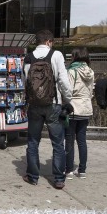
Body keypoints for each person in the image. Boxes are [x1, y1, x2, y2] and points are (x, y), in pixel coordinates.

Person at [22, 29, 73, 189]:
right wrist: (68, 99)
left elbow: (25, 81)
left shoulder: (28, 57)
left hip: (34, 105)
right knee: (58, 143)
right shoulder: (56, 55)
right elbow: (64, 81)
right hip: (53, 104)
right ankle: (58, 179)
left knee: (33, 142)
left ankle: (32, 176)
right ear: (49, 41)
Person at [65, 47, 95, 180]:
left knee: (70, 139)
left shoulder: (72, 71)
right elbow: (91, 91)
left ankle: (69, 170)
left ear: (75, 57)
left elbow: (68, 90)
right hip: (86, 108)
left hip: (73, 108)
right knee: (82, 140)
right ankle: (82, 170)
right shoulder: (91, 71)